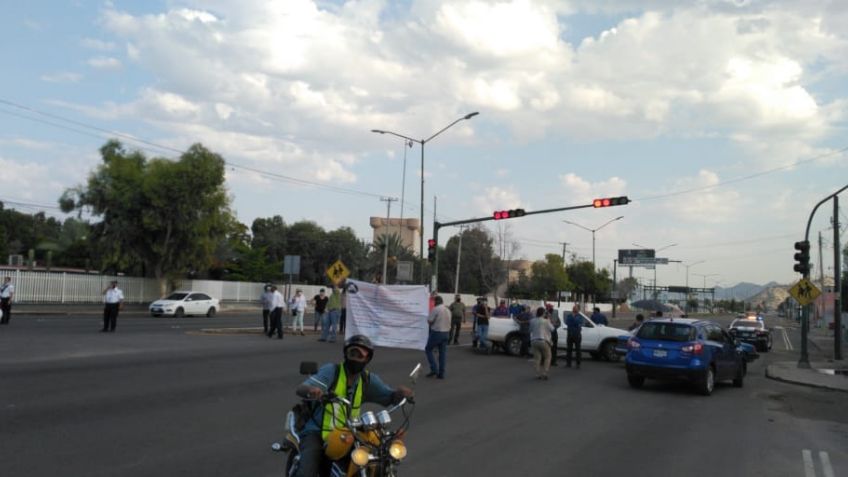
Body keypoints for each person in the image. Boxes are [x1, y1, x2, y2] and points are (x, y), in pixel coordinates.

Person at [293, 335, 414, 477]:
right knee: (307, 470)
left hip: (350, 432)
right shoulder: (332, 371)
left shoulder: (367, 380)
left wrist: (401, 394)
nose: (356, 358)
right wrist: (311, 390)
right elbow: (302, 388)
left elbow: (388, 396)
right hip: (318, 431)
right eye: (353, 353)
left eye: (361, 355)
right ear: (346, 354)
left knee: (377, 456)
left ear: (367, 359)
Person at [425, 296, 451, 379]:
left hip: (437, 332)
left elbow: (429, 321)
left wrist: (431, 323)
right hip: (446, 333)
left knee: (428, 349)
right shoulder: (448, 310)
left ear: (436, 302)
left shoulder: (436, 309)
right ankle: (441, 373)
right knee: (442, 354)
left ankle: (434, 369)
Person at [530, 307, 554, 380]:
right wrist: (549, 320)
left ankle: (537, 374)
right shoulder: (546, 321)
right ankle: (545, 373)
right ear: (543, 313)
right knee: (547, 356)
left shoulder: (532, 321)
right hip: (544, 341)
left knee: (537, 358)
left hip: (534, 341)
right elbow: (552, 329)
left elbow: (530, 330)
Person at [565, 304, 583, 368]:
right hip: (570, 334)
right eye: (573, 308)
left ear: (578, 309)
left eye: (575, 308)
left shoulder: (580, 316)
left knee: (578, 350)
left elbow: (578, 323)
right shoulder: (569, 315)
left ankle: (578, 364)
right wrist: (574, 321)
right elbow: (567, 322)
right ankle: (568, 363)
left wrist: (573, 319)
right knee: (569, 349)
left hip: (577, 335)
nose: (573, 309)